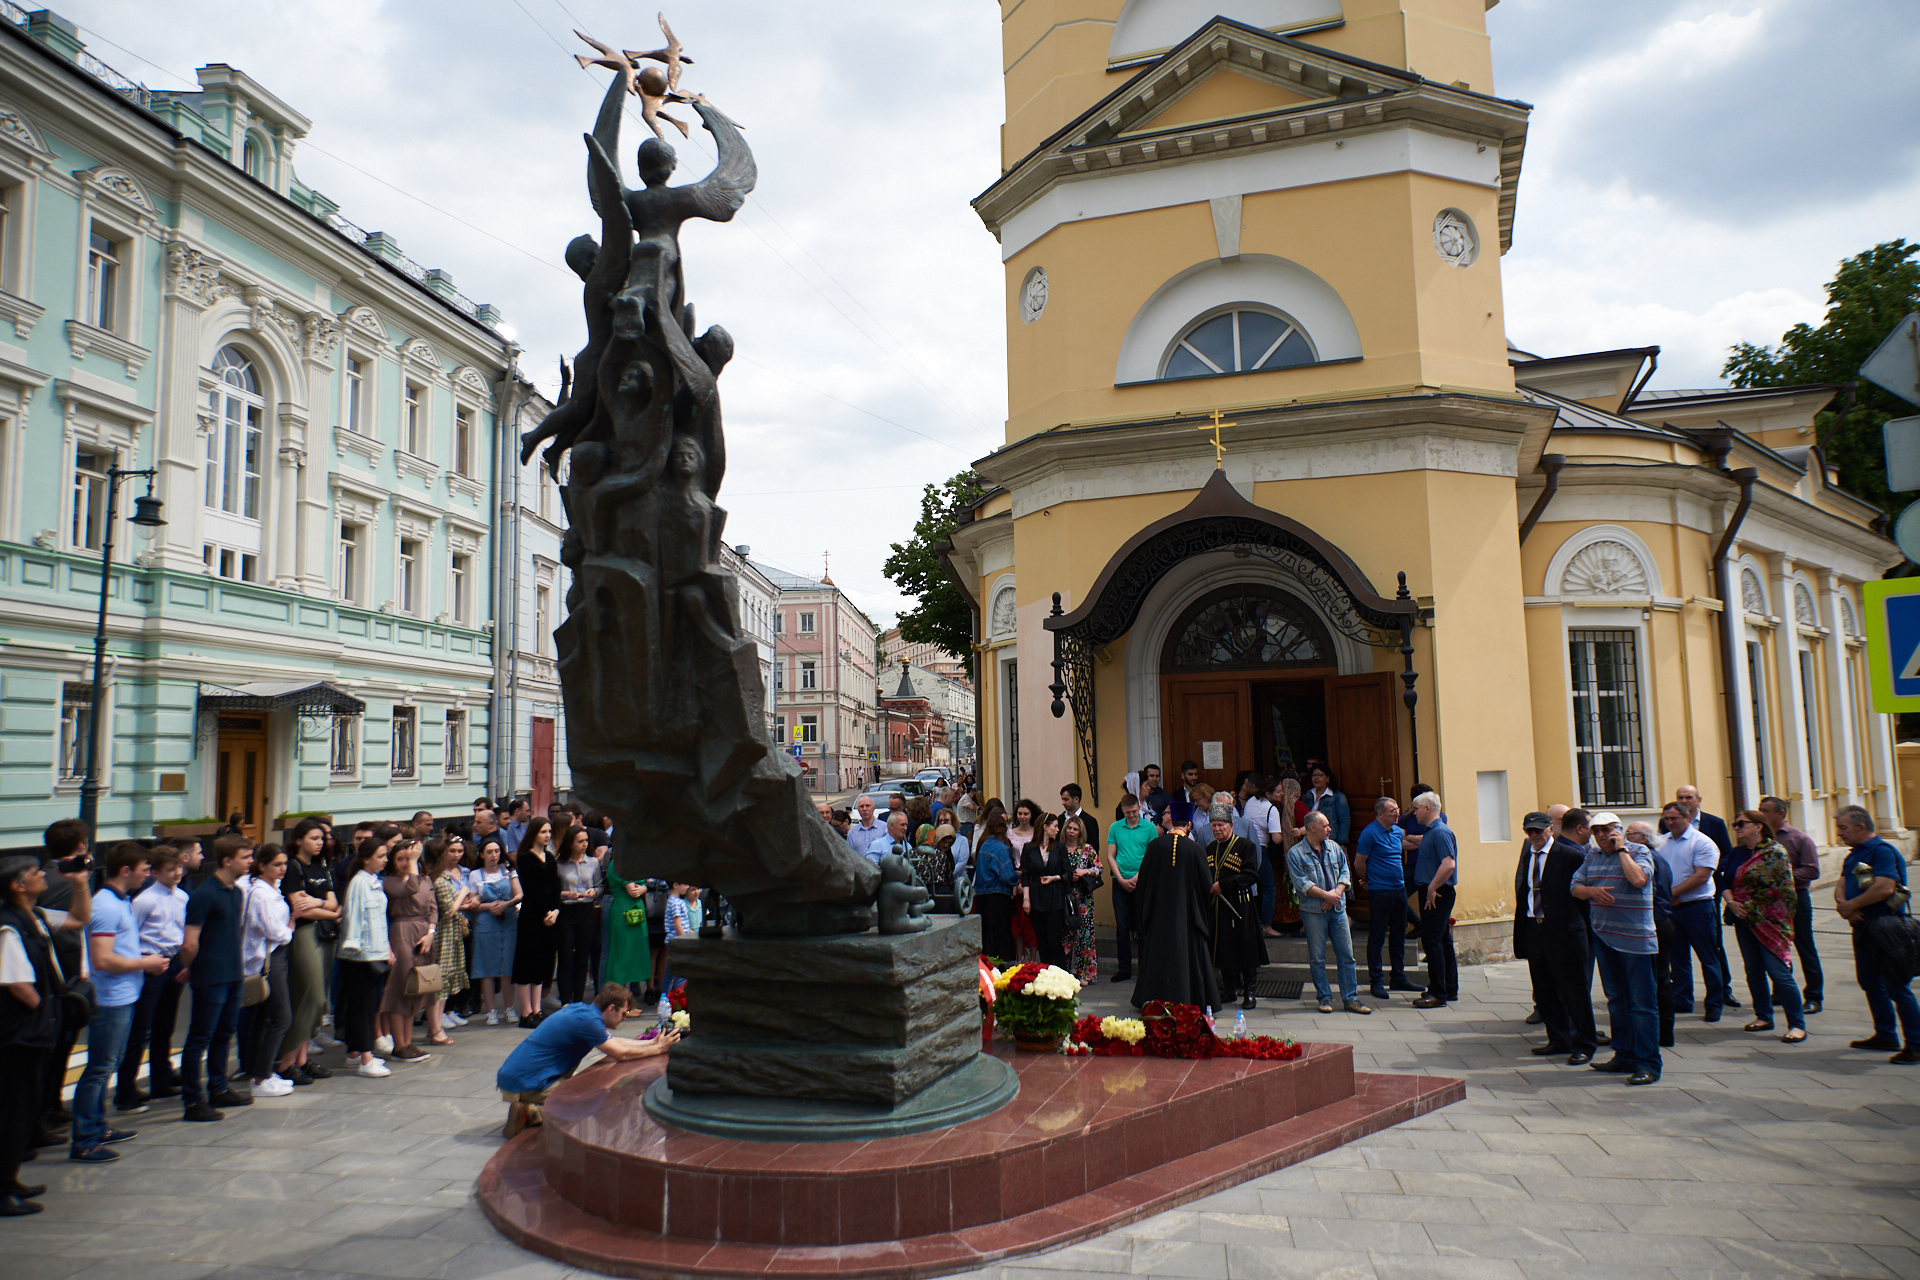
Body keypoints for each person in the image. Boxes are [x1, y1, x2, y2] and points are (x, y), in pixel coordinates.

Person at [70, 843, 168, 1161]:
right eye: (144, 869)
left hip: (122, 995)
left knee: (107, 1064)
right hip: (111, 999)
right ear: (126, 871)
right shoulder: (106, 906)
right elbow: (103, 960)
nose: (148, 875)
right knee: (100, 1068)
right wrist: (147, 963)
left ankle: (98, 1127)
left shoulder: (120, 900)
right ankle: (85, 1140)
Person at [495, 984, 680, 1137]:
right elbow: (621, 1053)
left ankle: (528, 1111)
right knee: (588, 1103)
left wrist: (652, 1042)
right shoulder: (589, 1021)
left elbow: (615, 1042)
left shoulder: (585, 1012)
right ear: (611, 1009)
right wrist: (659, 1049)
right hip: (524, 1082)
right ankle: (529, 1113)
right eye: (624, 1013)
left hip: (520, 1076)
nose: (624, 1018)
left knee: (587, 1094)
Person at [1571, 812, 1660, 1085]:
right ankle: (1624, 1055)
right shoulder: (1592, 856)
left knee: (1642, 1005)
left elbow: (1639, 880)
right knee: (1617, 1001)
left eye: (1608, 830)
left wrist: (1622, 849)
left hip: (1635, 941)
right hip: (1604, 937)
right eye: (1596, 830)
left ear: (1619, 830)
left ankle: (1648, 1063)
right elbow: (1575, 886)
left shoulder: (1639, 851)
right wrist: (1592, 892)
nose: (1601, 835)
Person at [0, 854, 65, 1214]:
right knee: (14, 1109)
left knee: (24, 1109)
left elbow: (79, 920)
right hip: (18, 1033)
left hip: (33, 1029)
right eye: (35, 873)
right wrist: (43, 1008)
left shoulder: (34, 917)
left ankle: (11, 1179)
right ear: (17, 886)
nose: (43, 875)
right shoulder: (8, 925)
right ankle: (2, 1189)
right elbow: (18, 984)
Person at [177, 835, 256, 1121]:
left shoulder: (236, 892)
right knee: (200, 1037)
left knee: (224, 1033)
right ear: (227, 860)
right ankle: (192, 1100)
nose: (251, 862)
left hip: (233, 973)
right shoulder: (204, 894)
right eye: (246, 857)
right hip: (211, 976)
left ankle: (219, 1087)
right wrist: (193, 966)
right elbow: (189, 942)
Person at [1833, 805, 1920, 1063]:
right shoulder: (1856, 853)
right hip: (1864, 928)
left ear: (1862, 827)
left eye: (1843, 828)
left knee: (1896, 987)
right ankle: (1885, 1035)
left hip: (1886, 929)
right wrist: (1844, 905)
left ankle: (1915, 1044)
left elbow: (1884, 888)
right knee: (1870, 983)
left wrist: (1853, 905)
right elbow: (1841, 882)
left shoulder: (1882, 851)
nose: (1839, 833)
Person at [1517, 810, 1598, 1064]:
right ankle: (1558, 1039)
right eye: (1529, 831)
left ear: (1551, 829)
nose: (1534, 836)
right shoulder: (1529, 855)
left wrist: (1580, 928)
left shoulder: (1571, 855)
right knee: (1544, 991)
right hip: (1535, 929)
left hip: (1564, 931)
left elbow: (1582, 896)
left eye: (1539, 830)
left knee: (1574, 992)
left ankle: (1584, 1043)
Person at [1724, 809, 1806, 1044]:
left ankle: (1797, 1024)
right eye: (1735, 824)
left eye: (1741, 824)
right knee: (1753, 970)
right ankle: (1763, 1016)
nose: (1737, 828)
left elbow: (1782, 890)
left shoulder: (1775, 852)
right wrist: (1732, 903)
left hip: (1770, 921)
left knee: (1778, 972)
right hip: (1743, 918)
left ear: (1758, 826)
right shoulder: (1737, 852)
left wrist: (1746, 904)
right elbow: (1725, 881)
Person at [117, 846, 189, 1111]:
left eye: (179, 868)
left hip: (173, 959)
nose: (177, 873)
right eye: (170, 870)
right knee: (141, 1027)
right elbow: (130, 934)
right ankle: (126, 1088)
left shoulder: (182, 897)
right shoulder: (144, 900)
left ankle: (161, 1078)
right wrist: (141, 963)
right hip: (150, 961)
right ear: (155, 873)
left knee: (165, 1024)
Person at [34, 818, 93, 1132]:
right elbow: (66, 931)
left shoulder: (52, 875)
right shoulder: (63, 881)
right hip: (60, 978)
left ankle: (51, 1107)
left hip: (59, 978)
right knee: (58, 1047)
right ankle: (47, 1110)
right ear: (80, 846)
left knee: (60, 1047)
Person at [1131, 801, 1218, 1011]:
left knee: (1158, 956)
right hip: (1188, 919)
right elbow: (1207, 886)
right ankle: (1190, 997)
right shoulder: (1195, 849)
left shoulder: (1155, 845)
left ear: (1172, 821)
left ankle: (1152, 998)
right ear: (1189, 824)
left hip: (1159, 917)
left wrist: (1145, 913)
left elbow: (1143, 883)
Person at [1288, 811, 1369, 1015]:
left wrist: (1335, 894)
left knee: (1347, 956)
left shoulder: (1334, 847)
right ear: (1312, 828)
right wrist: (1326, 896)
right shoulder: (1295, 854)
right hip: (1313, 912)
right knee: (1317, 957)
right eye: (1325, 825)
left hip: (1338, 909)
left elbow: (1345, 871)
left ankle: (1351, 999)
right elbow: (1301, 883)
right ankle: (1324, 998)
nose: (1330, 829)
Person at [276, 818, 338, 1086]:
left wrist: (322, 903)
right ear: (299, 839)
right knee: (309, 995)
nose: (319, 842)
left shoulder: (321, 866)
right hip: (303, 934)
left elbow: (333, 903)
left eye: (322, 838)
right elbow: (300, 908)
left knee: (318, 999)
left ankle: (301, 1060)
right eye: (314, 838)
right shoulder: (293, 867)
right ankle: (285, 1062)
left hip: (324, 934)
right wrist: (330, 909)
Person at [1654, 801, 1725, 1022]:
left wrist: (1672, 894)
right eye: (1667, 818)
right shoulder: (1660, 843)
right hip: (1671, 909)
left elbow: (1701, 876)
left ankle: (1714, 1003)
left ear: (1687, 818)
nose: (1670, 822)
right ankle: (1683, 999)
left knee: (1708, 957)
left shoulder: (1703, 842)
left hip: (1697, 907)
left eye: (1675, 818)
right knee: (1677, 958)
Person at [236, 843, 295, 1099]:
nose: (282, 869)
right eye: (277, 864)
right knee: (281, 1017)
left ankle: (259, 1073)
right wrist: (291, 925)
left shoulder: (271, 889)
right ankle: (261, 1077)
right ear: (262, 866)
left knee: (263, 1019)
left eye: (284, 864)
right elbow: (275, 931)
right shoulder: (261, 893)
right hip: (269, 959)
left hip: (271, 957)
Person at [1676, 783, 1740, 1009]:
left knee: (1713, 946)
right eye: (1680, 797)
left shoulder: (1714, 823)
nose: (1685, 801)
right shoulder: (1668, 824)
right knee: (1678, 950)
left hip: (1705, 893)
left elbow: (1727, 855)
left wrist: (1707, 869)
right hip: (1676, 899)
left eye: (1689, 797)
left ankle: (1724, 990)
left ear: (1698, 800)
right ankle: (1682, 995)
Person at [1759, 795, 1824, 1014]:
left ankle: (1814, 996)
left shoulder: (1799, 838)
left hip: (1796, 898)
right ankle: (1780, 990)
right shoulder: (1760, 838)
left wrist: (1783, 877)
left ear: (1781, 814)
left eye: (1766, 811)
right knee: (1775, 946)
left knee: (1805, 946)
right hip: (1770, 902)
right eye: (1760, 810)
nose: (1762, 814)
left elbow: (1812, 870)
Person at [336, 837, 394, 1078]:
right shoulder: (359, 883)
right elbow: (355, 919)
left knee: (366, 1004)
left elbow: (379, 920)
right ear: (366, 858)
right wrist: (356, 949)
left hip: (373, 951)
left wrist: (386, 948)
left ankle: (355, 1053)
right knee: (363, 1006)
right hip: (360, 955)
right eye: (381, 856)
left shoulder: (372, 881)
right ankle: (366, 1057)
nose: (385, 860)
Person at [377, 836, 437, 1062]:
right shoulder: (391, 882)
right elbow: (410, 888)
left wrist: (430, 933)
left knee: (416, 988)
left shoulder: (426, 879)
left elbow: (433, 908)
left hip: (423, 933)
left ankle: (409, 1042)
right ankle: (398, 1043)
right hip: (402, 930)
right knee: (401, 986)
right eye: (400, 859)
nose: (405, 862)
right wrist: (414, 862)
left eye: (408, 858)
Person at [1205, 803, 1267, 1010]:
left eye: (1221, 825)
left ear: (1231, 826)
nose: (1217, 829)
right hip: (1218, 907)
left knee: (1245, 948)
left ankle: (1249, 992)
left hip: (1240, 906)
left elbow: (1251, 875)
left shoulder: (1245, 846)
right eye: (1213, 825)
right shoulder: (1210, 849)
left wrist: (1223, 885)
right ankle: (1229, 990)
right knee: (1223, 948)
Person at [1356, 797, 1411, 999]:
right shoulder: (1369, 833)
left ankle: (1398, 976)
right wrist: (1367, 880)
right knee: (1378, 935)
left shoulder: (1396, 832)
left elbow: (1401, 850)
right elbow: (1359, 862)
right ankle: (1376, 981)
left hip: (1399, 888)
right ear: (1380, 814)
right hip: (1380, 891)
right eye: (1392, 811)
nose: (1397, 813)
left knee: (1398, 934)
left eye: (1397, 809)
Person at [1629, 819, 1676, 1050]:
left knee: (1657, 978)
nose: (1626, 839)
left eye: (1631, 834)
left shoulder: (1648, 859)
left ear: (1643, 838)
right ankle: (1662, 1032)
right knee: (1659, 976)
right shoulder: (1655, 857)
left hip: (1655, 922)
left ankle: (1661, 1032)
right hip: (1661, 920)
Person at [1409, 792, 1458, 1009]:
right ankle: (1448, 987)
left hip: (1437, 893)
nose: (1414, 812)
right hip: (1436, 891)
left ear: (1428, 809)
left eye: (1416, 808)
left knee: (1432, 941)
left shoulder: (1439, 832)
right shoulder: (1432, 831)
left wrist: (1431, 887)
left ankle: (1438, 992)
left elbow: (1448, 864)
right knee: (1442, 940)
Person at [513, 818, 561, 1028]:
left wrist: (556, 911)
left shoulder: (550, 857)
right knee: (527, 963)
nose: (547, 835)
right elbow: (532, 890)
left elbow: (556, 887)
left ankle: (537, 1008)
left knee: (543, 962)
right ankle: (526, 1012)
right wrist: (545, 912)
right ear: (534, 833)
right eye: (543, 832)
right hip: (532, 916)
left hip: (550, 917)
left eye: (549, 832)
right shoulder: (526, 859)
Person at [425, 836, 474, 1043]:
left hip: (450, 934)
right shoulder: (440, 880)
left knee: (444, 981)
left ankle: (436, 1027)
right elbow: (449, 911)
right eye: (449, 851)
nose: (454, 855)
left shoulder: (439, 878)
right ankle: (435, 1028)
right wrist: (463, 892)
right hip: (444, 936)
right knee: (441, 981)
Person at [1104, 791, 1154, 983]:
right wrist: (1121, 879)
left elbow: (1151, 857)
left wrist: (1137, 878)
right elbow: (1110, 855)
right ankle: (1124, 968)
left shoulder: (1149, 828)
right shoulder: (1115, 827)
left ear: (1139, 809)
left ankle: (1145, 968)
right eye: (1128, 813)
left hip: (1142, 882)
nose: (1131, 816)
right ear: (1123, 811)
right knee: (1122, 927)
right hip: (1120, 882)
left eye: (1134, 812)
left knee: (1142, 927)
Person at [469, 838, 521, 1022]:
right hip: (486, 923)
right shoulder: (475, 875)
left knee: (507, 967)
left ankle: (509, 1008)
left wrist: (506, 904)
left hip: (507, 920)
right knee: (486, 967)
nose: (494, 855)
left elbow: (519, 894)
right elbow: (473, 902)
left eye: (497, 851)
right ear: (482, 854)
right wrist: (488, 906)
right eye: (489, 852)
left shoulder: (508, 871)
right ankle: (491, 1010)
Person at [554, 825, 604, 1005]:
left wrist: (594, 891)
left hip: (586, 910)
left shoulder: (592, 862)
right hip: (567, 911)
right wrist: (565, 894)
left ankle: (579, 1000)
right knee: (566, 956)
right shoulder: (559, 864)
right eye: (580, 841)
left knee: (584, 957)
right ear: (570, 843)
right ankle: (566, 1000)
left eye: (586, 841)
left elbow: (599, 886)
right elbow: (554, 891)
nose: (584, 844)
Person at [1022, 813, 1069, 970]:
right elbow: (1026, 875)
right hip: (1036, 897)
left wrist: (1054, 878)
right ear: (1045, 827)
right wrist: (1026, 899)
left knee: (1054, 938)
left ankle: (1062, 972)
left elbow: (1068, 873)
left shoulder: (1060, 847)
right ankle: (1046, 972)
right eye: (1054, 826)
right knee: (1041, 939)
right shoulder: (1029, 849)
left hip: (1055, 897)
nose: (1057, 829)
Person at [1059, 814, 1102, 984]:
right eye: (1069, 828)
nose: (1071, 831)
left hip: (1083, 898)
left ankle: (1086, 973)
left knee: (1084, 936)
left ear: (1080, 831)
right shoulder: (1059, 848)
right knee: (1065, 936)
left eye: (1075, 829)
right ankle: (1065, 973)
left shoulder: (1087, 849)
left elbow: (1099, 869)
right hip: (1064, 896)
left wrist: (1086, 871)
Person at [603, 857, 652, 999]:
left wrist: (643, 887)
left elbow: (643, 886)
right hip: (623, 910)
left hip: (637, 910)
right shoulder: (617, 863)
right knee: (622, 956)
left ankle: (625, 1002)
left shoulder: (635, 863)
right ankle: (618, 1002)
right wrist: (641, 887)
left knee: (634, 953)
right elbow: (632, 890)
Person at [973, 813, 1019, 962]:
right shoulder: (1001, 848)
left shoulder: (984, 845)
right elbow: (1006, 875)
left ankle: (987, 969)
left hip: (982, 896)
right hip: (998, 896)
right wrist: (1017, 875)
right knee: (1001, 935)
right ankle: (1000, 968)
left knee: (987, 935)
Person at [1306, 765, 1351, 846]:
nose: (1316, 778)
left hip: (1331, 840)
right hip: (1312, 840)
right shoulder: (1309, 794)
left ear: (1328, 778)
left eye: (1320, 775)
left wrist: (1341, 843)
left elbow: (1344, 821)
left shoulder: (1337, 796)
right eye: (1314, 775)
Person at [846, 796, 889, 861]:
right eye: (861, 806)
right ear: (858, 809)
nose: (864, 809)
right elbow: (849, 855)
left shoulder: (885, 828)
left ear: (873, 808)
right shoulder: (852, 832)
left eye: (867, 806)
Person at [1137, 764, 1172, 829]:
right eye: (1151, 776)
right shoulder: (1139, 797)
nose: (1155, 779)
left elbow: (1171, 817)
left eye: (1157, 776)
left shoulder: (1166, 796)